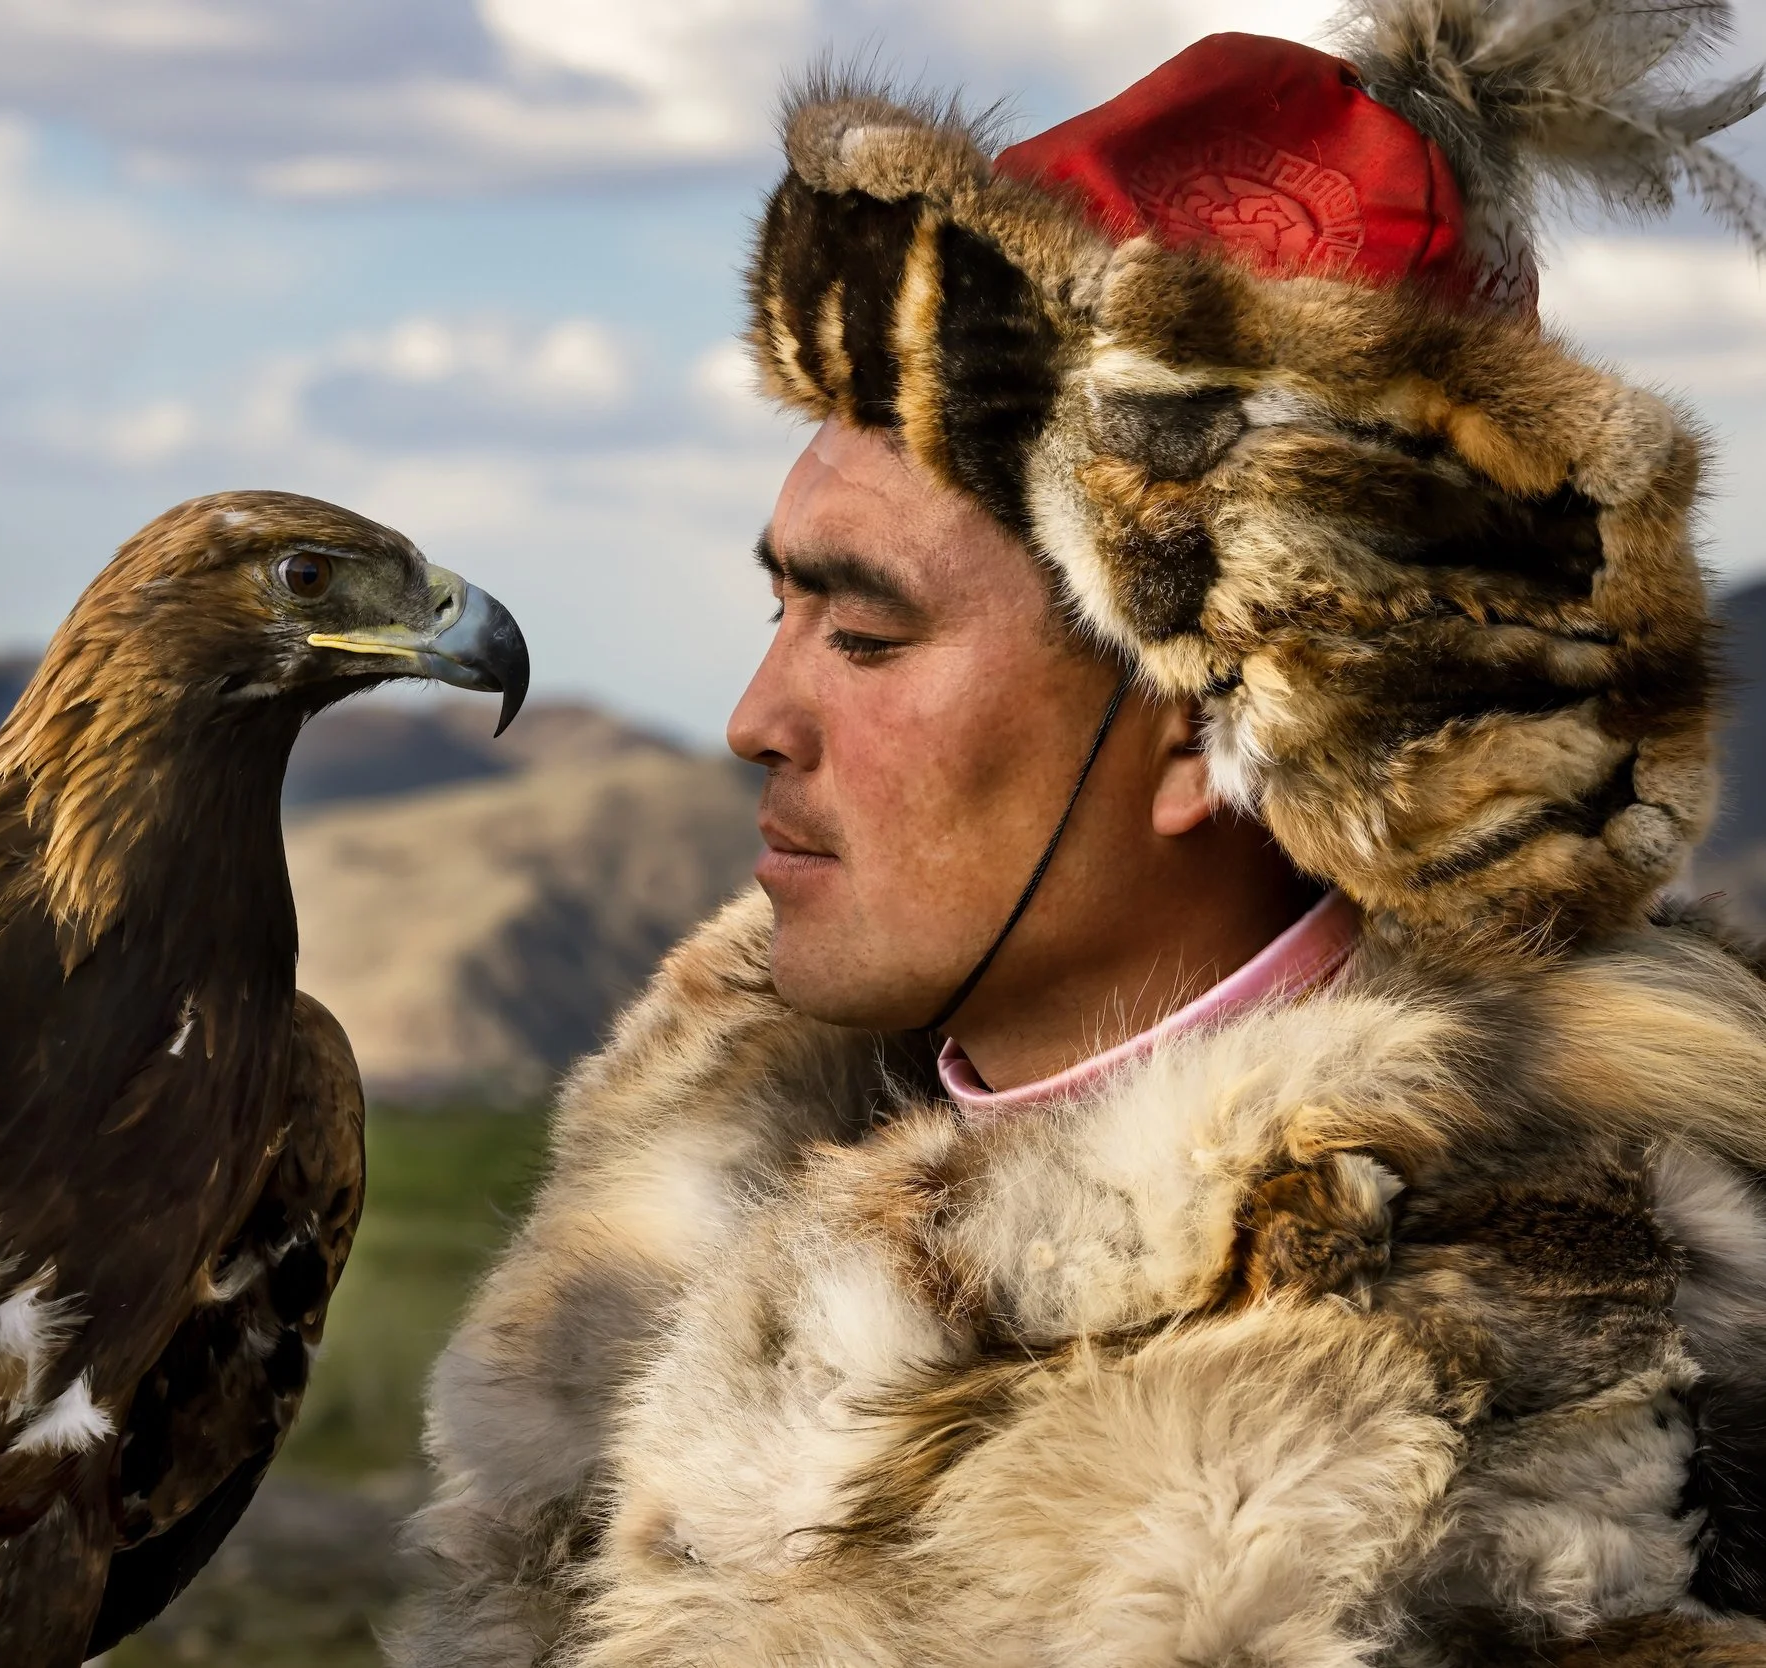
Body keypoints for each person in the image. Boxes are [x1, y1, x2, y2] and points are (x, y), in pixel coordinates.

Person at [396, 3, 1766, 1663]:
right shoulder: (685, 1224)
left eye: (869, 636)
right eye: (780, 609)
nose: (757, 717)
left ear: (1206, 723)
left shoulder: (1471, 1464)